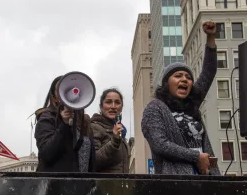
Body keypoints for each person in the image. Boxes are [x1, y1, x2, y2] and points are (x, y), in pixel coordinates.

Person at [141, 21, 220, 175]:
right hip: (177, 181)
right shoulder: (155, 108)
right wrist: (195, 156)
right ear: (166, 84)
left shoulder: (191, 105)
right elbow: (160, 144)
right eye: (178, 76)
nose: (184, 79)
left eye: (188, 77)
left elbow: (208, 72)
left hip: (206, 177)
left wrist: (211, 37)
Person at [34, 76, 96, 172]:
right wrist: (64, 125)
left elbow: (90, 162)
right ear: (54, 97)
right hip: (55, 184)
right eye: (60, 91)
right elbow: (47, 154)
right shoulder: (46, 118)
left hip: (81, 184)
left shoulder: (84, 123)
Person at [91, 88, 130, 173]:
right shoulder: (94, 127)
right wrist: (114, 141)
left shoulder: (121, 132)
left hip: (121, 185)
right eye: (108, 102)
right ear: (101, 106)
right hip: (103, 185)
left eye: (117, 102)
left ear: (121, 107)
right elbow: (94, 161)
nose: (113, 106)